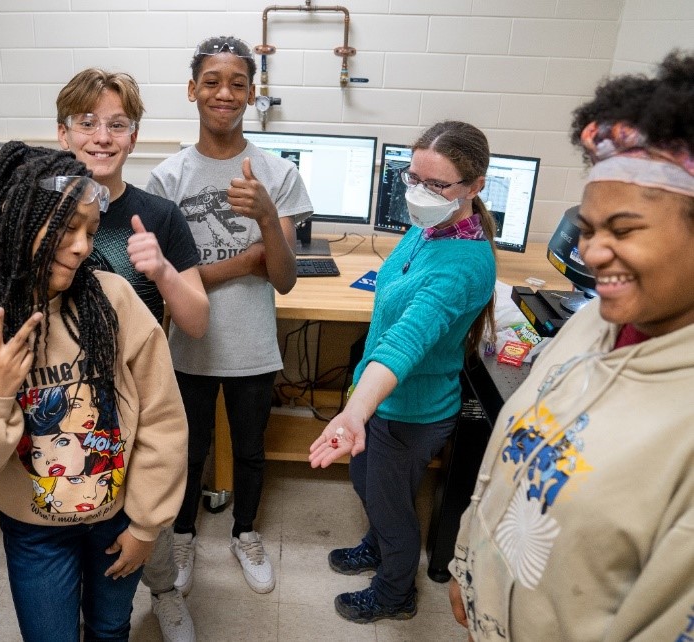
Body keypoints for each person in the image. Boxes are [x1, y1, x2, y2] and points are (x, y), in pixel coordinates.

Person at [448, 50, 694, 641]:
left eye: (624, 230)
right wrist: (466, 563)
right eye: (586, 228)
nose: (591, 252)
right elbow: (509, 453)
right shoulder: (592, 326)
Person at [0, 142, 187, 642]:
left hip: (118, 518)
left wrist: (147, 525)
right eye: (67, 228)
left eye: (89, 231)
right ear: (16, 220)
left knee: (111, 626)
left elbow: (161, 419)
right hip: (35, 532)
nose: (82, 246)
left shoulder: (114, 300)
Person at [309, 120, 498, 624]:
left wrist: (354, 410)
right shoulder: (428, 228)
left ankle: (395, 593)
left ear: (475, 186)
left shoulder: (462, 263)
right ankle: (376, 544)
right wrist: (359, 407)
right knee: (367, 484)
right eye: (413, 178)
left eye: (436, 184)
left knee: (394, 511)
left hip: (409, 412)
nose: (418, 193)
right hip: (377, 401)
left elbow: (404, 343)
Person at [147, 35, 313, 596]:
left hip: (252, 345)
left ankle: (245, 533)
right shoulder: (168, 180)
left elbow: (285, 278)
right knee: (188, 451)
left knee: (249, 449)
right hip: (187, 345)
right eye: (213, 82)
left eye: (238, 83)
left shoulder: (276, 173)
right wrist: (247, 260)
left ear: (251, 93)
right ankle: (185, 536)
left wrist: (268, 217)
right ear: (193, 90)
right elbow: (166, 281)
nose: (225, 93)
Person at [55, 68, 208, 642]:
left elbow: (194, 321)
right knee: (68, 530)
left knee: (150, 520)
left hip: (139, 409)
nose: (102, 136)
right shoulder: (40, 213)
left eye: (117, 124)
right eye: (87, 122)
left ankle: (165, 593)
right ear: (63, 132)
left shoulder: (159, 215)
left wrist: (162, 270)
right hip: (60, 410)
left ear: (135, 136)